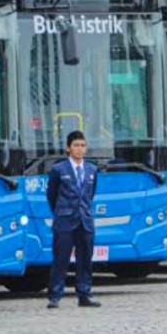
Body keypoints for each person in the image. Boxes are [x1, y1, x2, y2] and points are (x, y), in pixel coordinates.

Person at [46, 131, 101, 308]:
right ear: (68, 148)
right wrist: (62, 211)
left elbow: (90, 195)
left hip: (85, 220)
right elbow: (52, 196)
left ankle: (84, 293)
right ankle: (55, 295)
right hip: (64, 221)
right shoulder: (58, 169)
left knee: (85, 259)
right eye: (76, 145)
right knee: (61, 258)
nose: (80, 149)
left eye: (83, 145)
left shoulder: (92, 169)